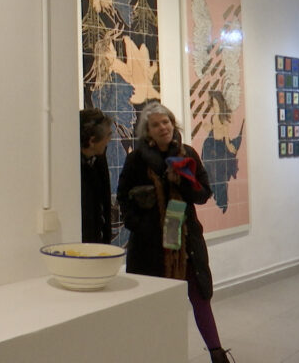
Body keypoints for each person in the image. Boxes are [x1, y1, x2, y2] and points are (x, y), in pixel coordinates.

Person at [116, 102, 232, 363]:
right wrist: (140, 225)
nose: (163, 128)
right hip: (150, 246)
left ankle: (217, 354)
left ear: (172, 123)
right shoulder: (137, 160)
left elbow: (203, 194)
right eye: (156, 125)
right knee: (156, 304)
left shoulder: (187, 153)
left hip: (186, 240)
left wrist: (185, 179)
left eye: (166, 122)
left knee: (199, 297)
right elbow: (123, 197)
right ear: (147, 131)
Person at [79, 108, 114, 244]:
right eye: (108, 135)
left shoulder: (98, 160)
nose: (109, 140)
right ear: (92, 141)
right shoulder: (72, 171)